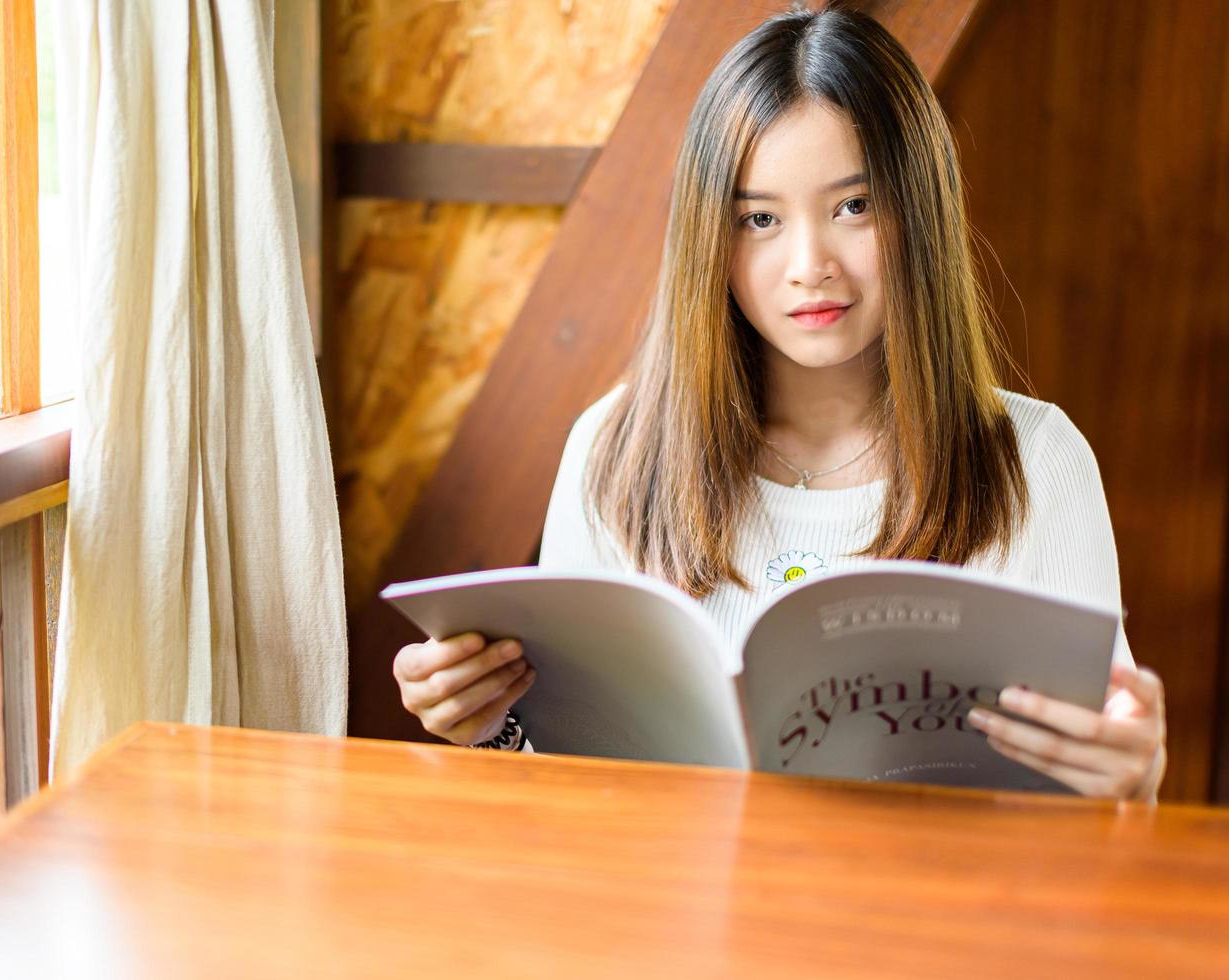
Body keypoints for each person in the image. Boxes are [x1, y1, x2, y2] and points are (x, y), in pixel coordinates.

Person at [390, 5, 1166, 800]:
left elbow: (1093, 787)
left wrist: (1133, 778)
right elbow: (568, 796)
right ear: (708, 239)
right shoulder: (613, 452)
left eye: (853, 207)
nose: (809, 265)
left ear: (920, 212)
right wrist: (487, 725)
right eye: (758, 219)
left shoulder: (1033, 459)